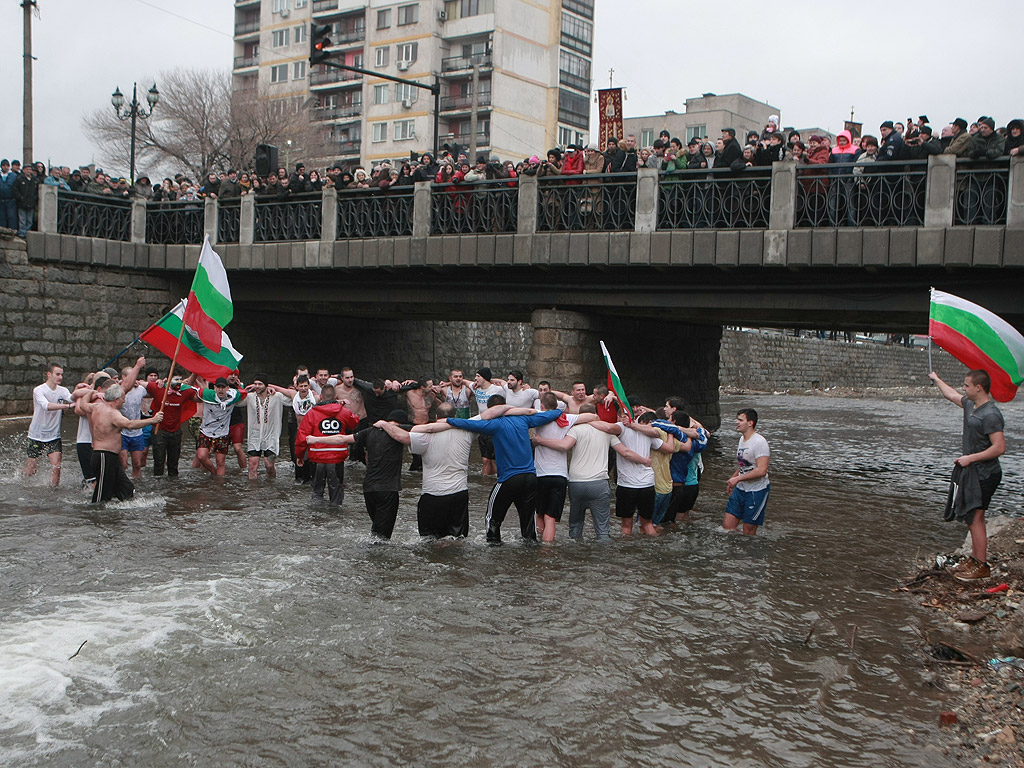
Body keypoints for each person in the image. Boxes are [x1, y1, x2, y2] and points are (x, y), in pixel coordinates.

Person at [446, 399, 565, 543]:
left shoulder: (494, 424)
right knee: (528, 521)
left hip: (509, 479)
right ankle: (531, 551)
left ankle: (493, 547)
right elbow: (550, 415)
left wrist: (448, 420)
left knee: (492, 518)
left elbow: (469, 424)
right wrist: (558, 411)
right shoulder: (524, 419)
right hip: (530, 478)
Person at [531, 404, 650, 541]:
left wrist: (540, 441)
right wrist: (644, 461)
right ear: (595, 414)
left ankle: (574, 556)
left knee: (575, 527)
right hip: (599, 484)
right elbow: (625, 452)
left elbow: (564, 445)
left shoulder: (575, 430)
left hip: (577, 483)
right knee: (603, 530)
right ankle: (604, 558)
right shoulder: (607, 432)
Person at [929, 369, 1006, 582]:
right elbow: (951, 395)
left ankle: (981, 566)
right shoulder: (972, 406)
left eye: (966, 385)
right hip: (974, 472)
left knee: (975, 518)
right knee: (972, 517)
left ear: (978, 387)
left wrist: (970, 458)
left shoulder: (990, 414)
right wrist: (936, 379)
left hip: (985, 473)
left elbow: (999, 447)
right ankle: (974, 560)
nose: (963, 388)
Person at [376, 402, 474, 538]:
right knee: (457, 539)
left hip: (432, 495)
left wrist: (384, 424)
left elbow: (402, 437)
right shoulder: (467, 431)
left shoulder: (425, 435)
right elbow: (488, 415)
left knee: (429, 540)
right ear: (455, 416)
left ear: (435, 416)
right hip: (458, 494)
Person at [310, 409, 411, 538]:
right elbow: (426, 429)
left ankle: (371, 555)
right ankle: (374, 557)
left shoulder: (369, 432)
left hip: (368, 489)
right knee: (382, 537)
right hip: (388, 489)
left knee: (376, 530)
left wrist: (316, 439)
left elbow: (342, 439)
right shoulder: (402, 432)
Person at [78, 382, 164, 502]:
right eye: (123, 398)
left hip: (111, 457)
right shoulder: (113, 414)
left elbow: (83, 404)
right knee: (102, 494)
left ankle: (120, 514)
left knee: (127, 489)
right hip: (104, 456)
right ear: (116, 399)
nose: (124, 401)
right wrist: (152, 420)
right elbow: (130, 424)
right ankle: (95, 516)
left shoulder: (96, 407)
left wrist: (91, 392)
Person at [295, 384, 360, 505]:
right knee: (336, 494)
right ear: (335, 396)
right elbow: (355, 422)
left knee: (316, 493)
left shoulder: (312, 414)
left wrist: (299, 455)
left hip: (317, 458)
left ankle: (317, 520)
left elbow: (302, 437)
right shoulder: (344, 412)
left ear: (320, 397)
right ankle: (336, 518)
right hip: (336, 458)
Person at [24, 363, 74, 486]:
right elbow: (46, 406)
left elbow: (73, 398)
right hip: (36, 435)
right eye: (57, 374)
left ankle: (54, 494)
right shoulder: (39, 390)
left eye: (62, 374)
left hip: (54, 436)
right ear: (49, 374)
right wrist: (66, 406)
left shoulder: (63, 391)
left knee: (56, 467)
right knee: (31, 470)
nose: (60, 377)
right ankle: (22, 481)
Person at [723, 408, 770, 535]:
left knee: (748, 530)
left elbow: (761, 470)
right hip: (741, 488)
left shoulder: (759, 442)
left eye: (740, 420)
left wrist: (738, 479)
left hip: (756, 491)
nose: (737, 422)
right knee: (728, 527)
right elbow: (743, 465)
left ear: (750, 423)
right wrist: (733, 480)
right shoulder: (742, 440)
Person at [146, 372, 199, 477]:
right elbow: (140, 384)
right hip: (159, 430)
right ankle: (158, 486)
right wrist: (157, 381)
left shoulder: (185, 392)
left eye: (180, 380)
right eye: (176, 380)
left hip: (175, 431)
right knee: (159, 462)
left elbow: (200, 396)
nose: (178, 383)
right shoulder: (158, 388)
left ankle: (173, 487)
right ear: (168, 380)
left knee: (173, 465)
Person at [194, 377, 247, 476]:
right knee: (201, 456)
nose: (220, 389)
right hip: (206, 431)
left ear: (227, 388)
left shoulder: (233, 396)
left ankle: (220, 485)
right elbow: (191, 391)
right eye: (218, 387)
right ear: (214, 388)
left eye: (223, 387)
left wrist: (241, 385)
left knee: (220, 461)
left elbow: (243, 392)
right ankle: (214, 472)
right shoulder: (207, 395)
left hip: (222, 433)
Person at [242, 373, 291, 479]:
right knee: (252, 466)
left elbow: (294, 398)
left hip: (271, 437)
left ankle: (271, 487)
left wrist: (275, 388)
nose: (257, 386)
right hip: (254, 436)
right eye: (255, 384)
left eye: (260, 384)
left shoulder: (277, 396)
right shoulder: (250, 397)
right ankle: (253, 492)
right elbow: (235, 401)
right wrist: (243, 390)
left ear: (266, 385)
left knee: (269, 466)